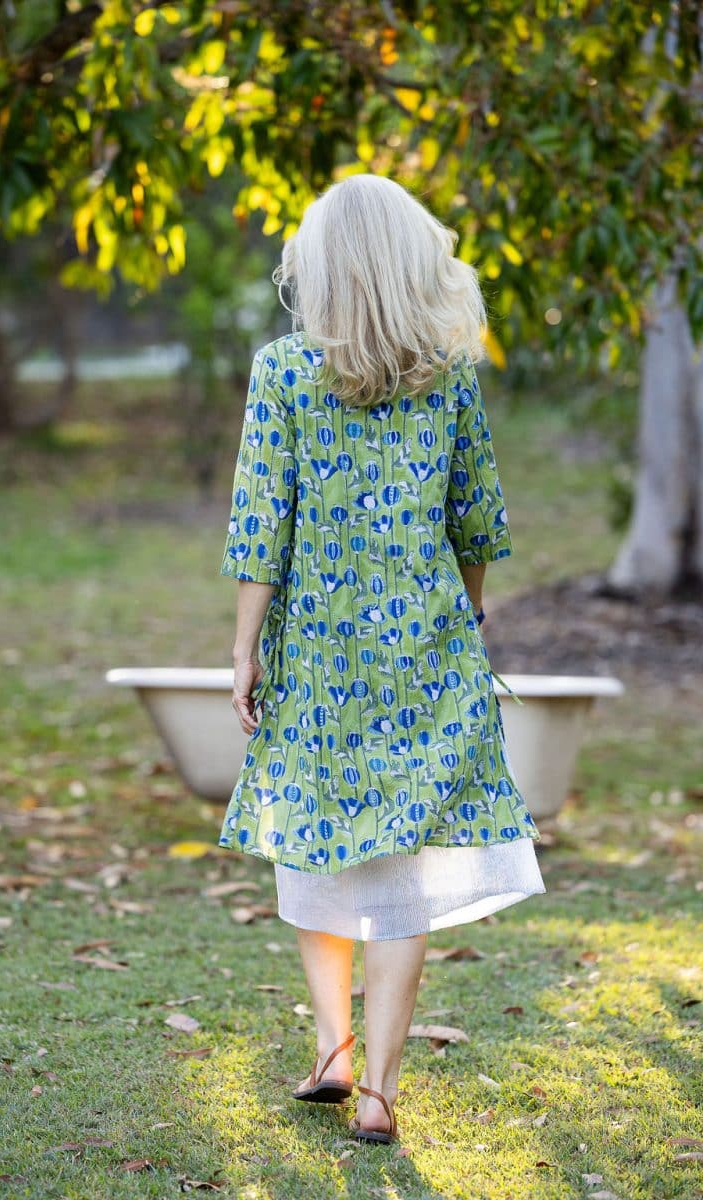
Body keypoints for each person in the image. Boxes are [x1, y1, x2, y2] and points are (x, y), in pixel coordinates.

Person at [218, 173, 546, 1145]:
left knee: (313, 837)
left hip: (316, 657)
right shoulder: (447, 376)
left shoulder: (283, 372)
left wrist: (242, 650)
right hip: (425, 653)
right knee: (403, 861)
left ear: (321, 267)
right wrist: (468, 619)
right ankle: (378, 1095)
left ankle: (332, 1049)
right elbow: (476, 520)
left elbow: (260, 526)